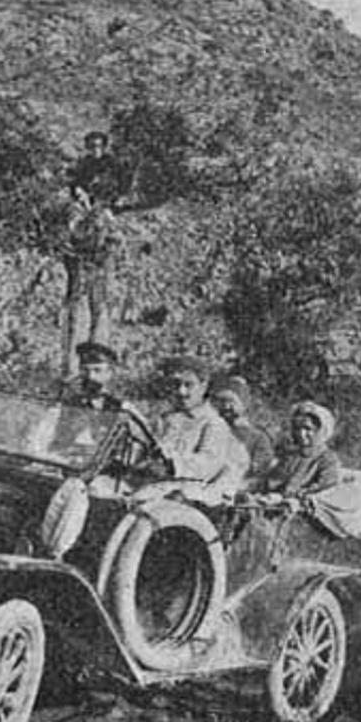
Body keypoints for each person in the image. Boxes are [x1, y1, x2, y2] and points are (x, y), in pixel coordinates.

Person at [132, 356, 248, 504]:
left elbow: (208, 464)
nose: (181, 391)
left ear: (203, 386)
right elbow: (145, 451)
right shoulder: (166, 419)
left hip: (186, 493)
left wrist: (171, 463)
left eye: (188, 385)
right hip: (151, 485)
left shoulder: (213, 424)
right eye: (176, 384)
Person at [61, 131, 127, 375]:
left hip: (105, 212)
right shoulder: (84, 166)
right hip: (86, 219)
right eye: (91, 146)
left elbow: (119, 188)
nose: (95, 150)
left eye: (98, 146)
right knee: (78, 305)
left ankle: (99, 365)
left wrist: (107, 204)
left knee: (100, 305)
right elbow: (75, 187)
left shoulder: (112, 165)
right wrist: (82, 196)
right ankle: (72, 367)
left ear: (104, 147)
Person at [253, 401, 342, 514]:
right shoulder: (291, 455)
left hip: (303, 512)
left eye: (308, 429)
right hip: (274, 503)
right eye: (297, 428)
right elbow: (274, 479)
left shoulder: (327, 459)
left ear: (321, 430)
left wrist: (291, 497)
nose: (301, 434)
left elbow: (325, 488)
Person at [208, 375, 275, 479]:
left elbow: (259, 469)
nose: (226, 406)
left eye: (231, 401)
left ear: (243, 404)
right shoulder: (211, 431)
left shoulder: (258, 438)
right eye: (222, 401)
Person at [65, 341, 126, 411]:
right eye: (85, 370)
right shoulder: (69, 403)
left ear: (110, 372)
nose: (90, 376)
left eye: (97, 370)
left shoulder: (119, 406)